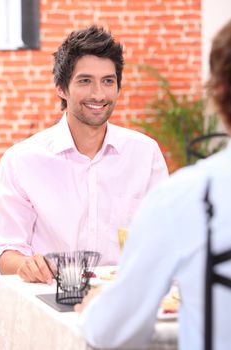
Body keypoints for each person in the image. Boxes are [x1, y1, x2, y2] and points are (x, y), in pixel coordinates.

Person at [75, 20, 231, 350]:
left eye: (107, 81)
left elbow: (114, 331)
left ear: (216, 92)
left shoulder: (188, 198)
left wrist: (98, 310)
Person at [0, 25, 168, 283]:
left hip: (124, 298)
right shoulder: (21, 161)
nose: (98, 94)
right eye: (85, 81)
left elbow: (163, 238)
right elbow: (6, 251)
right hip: (52, 299)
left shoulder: (145, 154)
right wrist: (26, 264)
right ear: (61, 88)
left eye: (108, 81)